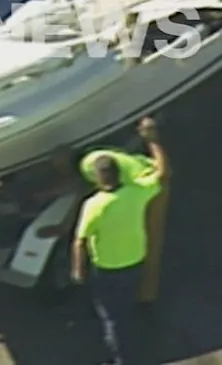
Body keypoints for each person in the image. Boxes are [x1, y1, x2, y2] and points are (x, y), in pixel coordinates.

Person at [72, 137, 165, 365]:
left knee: (112, 318)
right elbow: (162, 172)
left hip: (107, 267)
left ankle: (122, 360)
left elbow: (79, 241)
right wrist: (153, 141)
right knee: (126, 306)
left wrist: (77, 270)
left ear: (97, 178)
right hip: (135, 260)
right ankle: (136, 332)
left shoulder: (94, 205)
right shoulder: (138, 192)